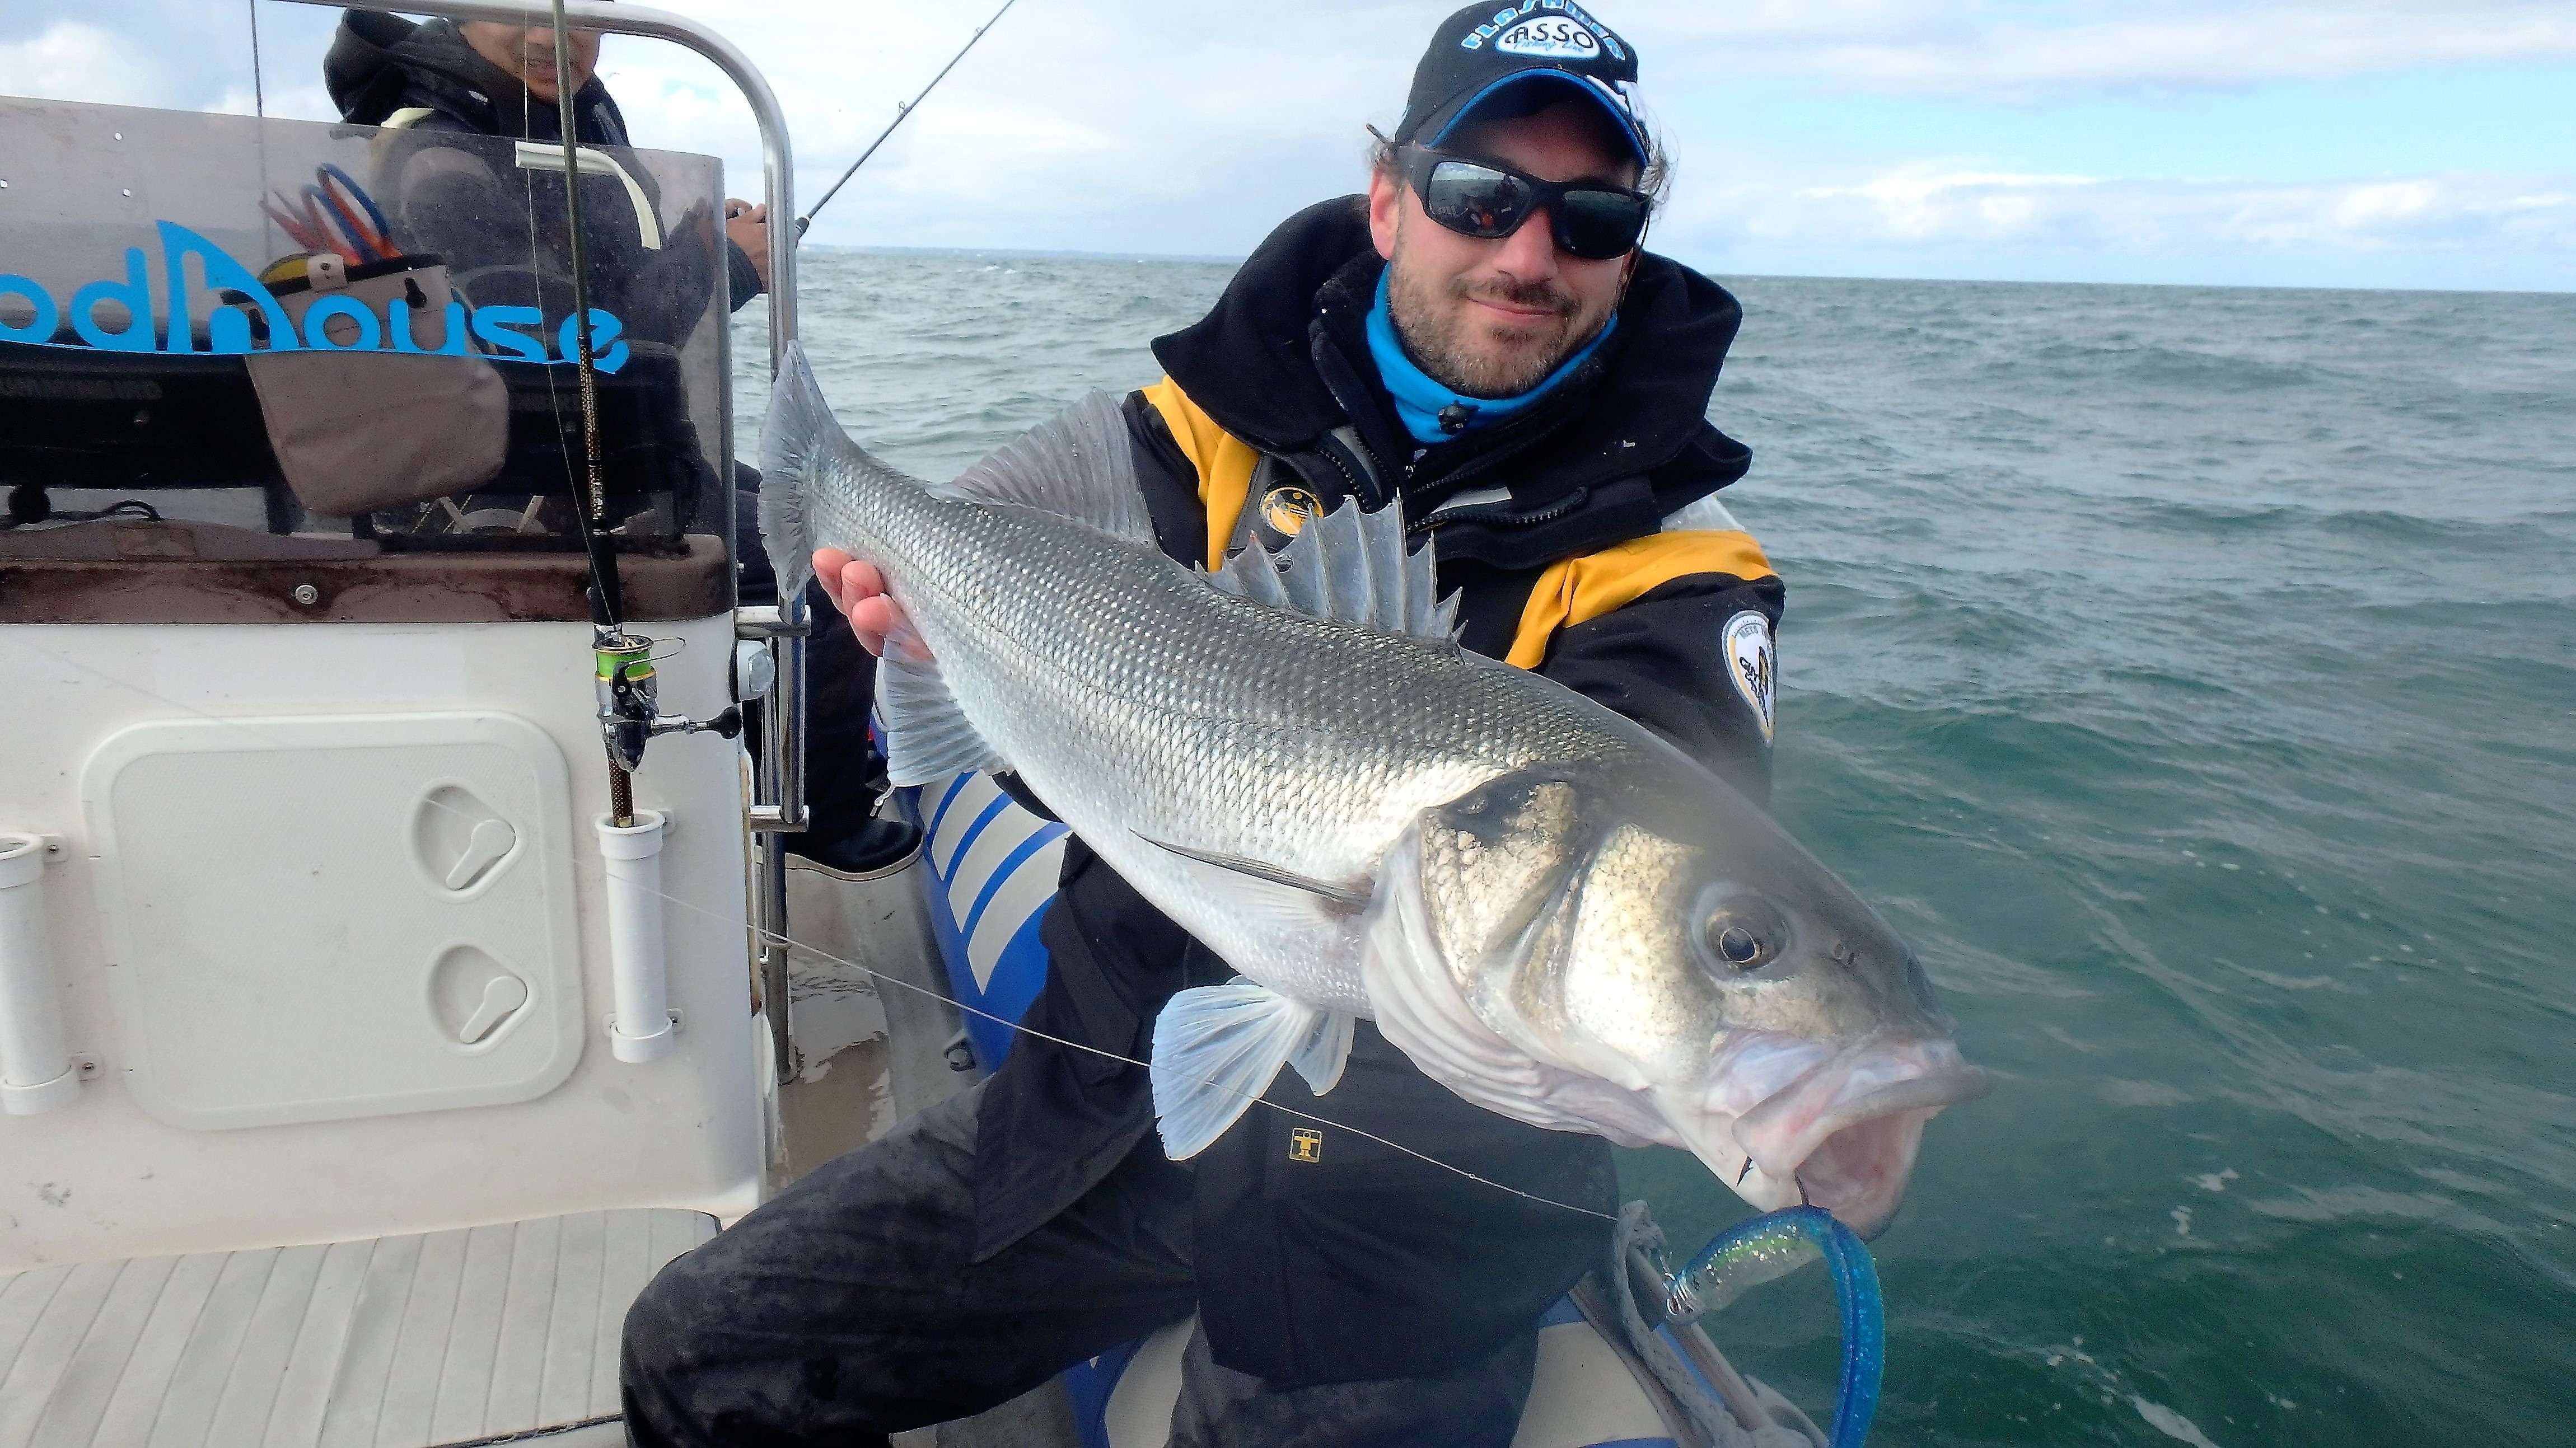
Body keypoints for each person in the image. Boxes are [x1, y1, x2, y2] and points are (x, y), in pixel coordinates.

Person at [621, 6, 1784, 1444]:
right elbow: (1078, 698)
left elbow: (1620, 907)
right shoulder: (1197, 429)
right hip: (1101, 1098)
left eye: (1592, 214)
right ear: (1388, 199)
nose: (1528, 254)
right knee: (698, 1345)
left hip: (1410, 1215)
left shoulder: (1681, 566)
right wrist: (940, 644)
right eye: (1481, 196)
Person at [324, 9, 911, 870]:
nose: (554, 39)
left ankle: (786, 736)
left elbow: (606, 287)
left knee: (808, 514)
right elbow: (550, 339)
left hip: (611, 447)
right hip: (526, 474)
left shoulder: (546, 119)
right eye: (513, 12)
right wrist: (730, 263)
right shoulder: (444, 157)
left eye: (578, 16)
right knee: (822, 576)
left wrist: (699, 241)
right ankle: (819, 819)